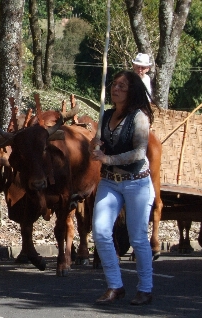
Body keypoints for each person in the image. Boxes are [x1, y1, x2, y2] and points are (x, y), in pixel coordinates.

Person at [89, 70, 155, 306]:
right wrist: (93, 146)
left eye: (122, 86)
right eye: (114, 84)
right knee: (100, 231)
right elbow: (96, 148)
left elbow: (139, 152)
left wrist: (107, 159)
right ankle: (115, 286)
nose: (115, 89)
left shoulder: (139, 118)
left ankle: (145, 289)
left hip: (137, 181)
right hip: (110, 182)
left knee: (138, 238)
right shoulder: (106, 116)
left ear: (132, 91)